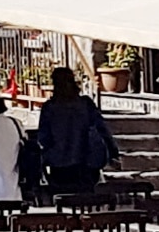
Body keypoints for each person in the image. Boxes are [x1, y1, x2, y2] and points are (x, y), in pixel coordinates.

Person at [34, 65, 118, 196]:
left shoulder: (49, 108)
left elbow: (43, 136)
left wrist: (49, 152)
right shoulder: (86, 104)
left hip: (59, 162)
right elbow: (102, 130)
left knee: (64, 199)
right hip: (86, 160)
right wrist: (113, 153)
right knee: (86, 198)